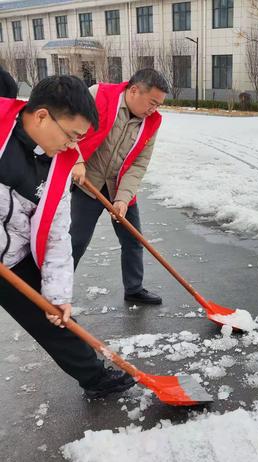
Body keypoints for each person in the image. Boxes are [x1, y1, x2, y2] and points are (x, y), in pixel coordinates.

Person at [0, 74, 135, 398]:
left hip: (12, 258)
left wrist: (58, 295)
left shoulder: (58, 164)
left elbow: (58, 234)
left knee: (52, 316)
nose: (74, 147)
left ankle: (95, 378)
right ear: (43, 115)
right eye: (71, 136)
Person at [70, 68, 169, 305]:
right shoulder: (99, 95)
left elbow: (139, 164)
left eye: (159, 105)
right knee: (76, 241)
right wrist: (77, 160)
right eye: (152, 102)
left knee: (133, 240)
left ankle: (134, 289)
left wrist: (123, 198)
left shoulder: (151, 122)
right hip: (88, 182)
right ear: (134, 90)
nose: (153, 109)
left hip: (119, 187)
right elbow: (69, 128)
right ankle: (54, 295)